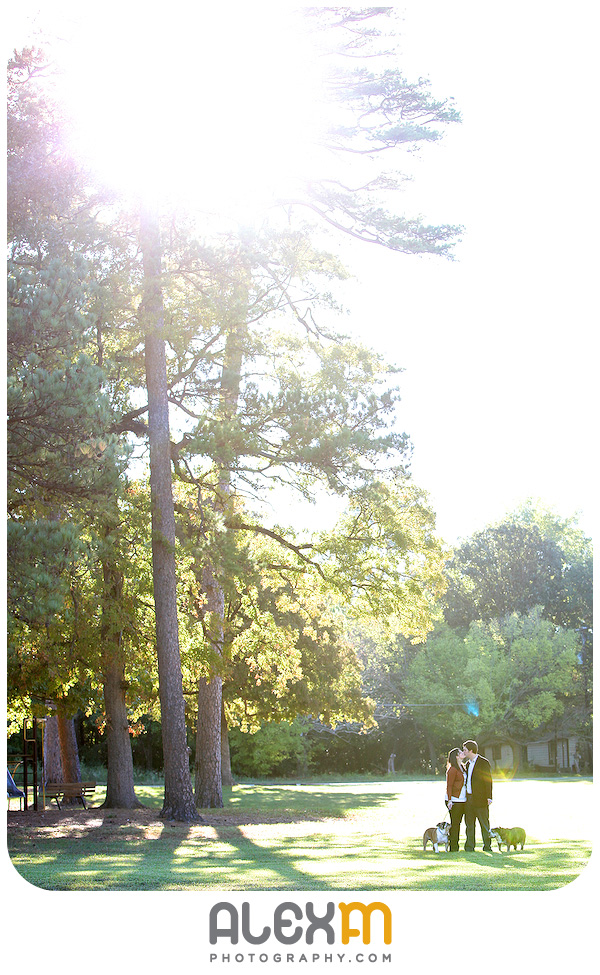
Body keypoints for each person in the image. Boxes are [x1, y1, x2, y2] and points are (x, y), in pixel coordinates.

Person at [462, 740, 493, 851]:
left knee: (484, 824)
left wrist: (489, 797)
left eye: (465, 750)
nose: (463, 752)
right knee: (469, 824)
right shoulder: (467, 764)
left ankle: (487, 846)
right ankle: (470, 846)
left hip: (481, 799)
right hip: (469, 799)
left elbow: (488, 780)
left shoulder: (483, 762)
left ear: (471, 750)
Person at [445, 747, 467, 851]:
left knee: (458, 823)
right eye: (460, 752)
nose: (463, 753)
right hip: (454, 800)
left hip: (463, 799)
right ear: (456, 756)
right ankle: (453, 846)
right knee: (455, 823)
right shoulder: (452, 769)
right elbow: (449, 786)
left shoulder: (463, 767)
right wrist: (449, 800)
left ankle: (455, 844)